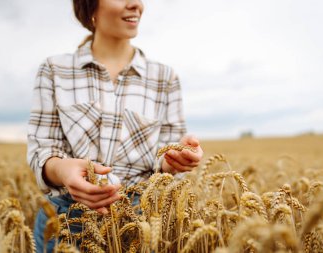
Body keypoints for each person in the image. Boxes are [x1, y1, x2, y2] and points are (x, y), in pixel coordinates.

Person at [27, 0, 203, 251]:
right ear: (90, 6)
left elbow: (166, 157)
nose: (136, 4)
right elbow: (41, 150)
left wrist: (175, 158)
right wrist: (63, 169)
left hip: (139, 227)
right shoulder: (55, 70)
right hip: (65, 224)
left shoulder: (164, 78)